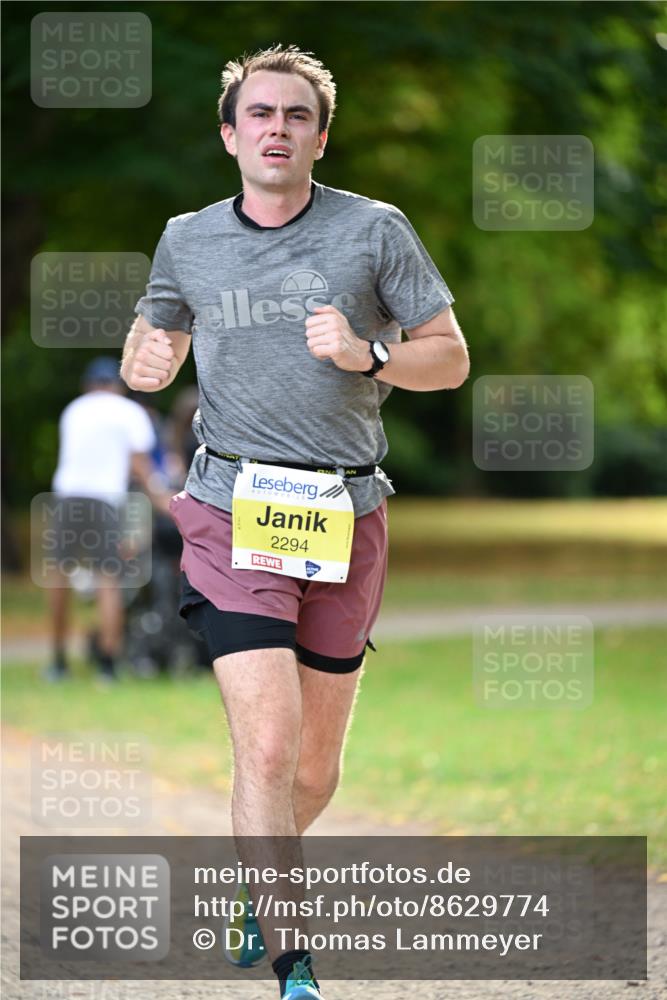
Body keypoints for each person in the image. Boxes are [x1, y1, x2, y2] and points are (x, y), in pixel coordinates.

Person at [121, 44, 469, 1000]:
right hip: (231, 509)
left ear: (321, 135)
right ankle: (294, 962)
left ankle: (254, 880)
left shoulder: (374, 231)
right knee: (267, 749)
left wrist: (369, 355)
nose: (278, 128)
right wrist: (145, 359)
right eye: (260, 114)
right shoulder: (187, 237)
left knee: (314, 771)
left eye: (297, 115)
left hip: (344, 512)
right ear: (230, 134)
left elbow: (448, 357)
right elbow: (158, 330)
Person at [47, 357, 170, 682]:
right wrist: (164, 500)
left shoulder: (73, 409)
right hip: (104, 500)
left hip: (66, 496)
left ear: (88, 385)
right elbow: (142, 467)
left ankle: (58, 662)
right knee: (107, 579)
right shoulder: (129, 412)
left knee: (60, 578)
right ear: (117, 386)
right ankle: (108, 664)